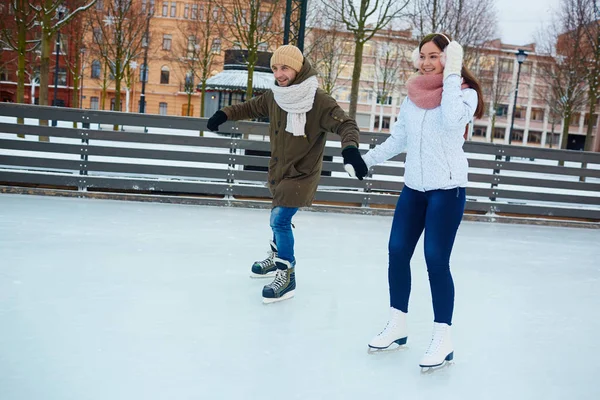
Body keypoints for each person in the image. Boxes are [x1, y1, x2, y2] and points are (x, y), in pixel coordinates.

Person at [349, 33, 484, 369]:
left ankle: (443, 337)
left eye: (435, 56)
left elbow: (452, 119)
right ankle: (398, 325)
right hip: (413, 190)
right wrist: (368, 159)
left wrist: (452, 73)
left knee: (436, 260)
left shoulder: (464, 96)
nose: (426, 62)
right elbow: (400, 138)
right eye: (422, 56)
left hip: (447, 191)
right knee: (397, 252)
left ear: (449, 58)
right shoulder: (413, 96)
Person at [206, 45, 367, 304]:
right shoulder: (276, 96)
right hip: (279, 171)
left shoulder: (318, 100)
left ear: (298, 68)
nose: (279, 74)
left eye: (285, 68)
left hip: (303, 173)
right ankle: (276, 255)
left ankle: (286, 273)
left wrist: (350, 150)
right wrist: (223, 113)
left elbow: (346, 124)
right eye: (275, 68)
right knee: (277, 218)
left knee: (280, 220)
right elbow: (249, 107)